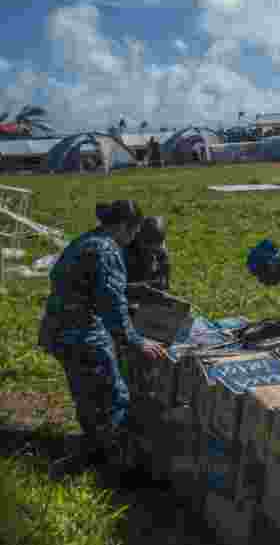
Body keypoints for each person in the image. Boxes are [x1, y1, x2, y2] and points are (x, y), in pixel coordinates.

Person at [40, 200, 165, 478]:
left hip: (58, 331)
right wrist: (136, 341)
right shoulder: (107, 249)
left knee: (86, 396)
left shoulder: (85, 241)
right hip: (82, 334)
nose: (132, 240)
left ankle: (93, 449)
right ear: (123, 227)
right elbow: (111, 304)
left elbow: (86, 286)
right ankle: (122, 469)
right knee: (113, 398)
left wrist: (132, 291)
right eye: (132, 233)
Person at [123, 216, 170, 292]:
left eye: (156, 250)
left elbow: (164, 285)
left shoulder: (162, 253)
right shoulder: (126, 250)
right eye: (148, 248)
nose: (152, 253)